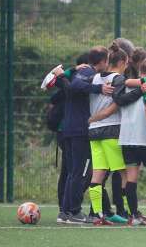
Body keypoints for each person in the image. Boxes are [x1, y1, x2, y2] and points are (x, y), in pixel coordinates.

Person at [55, 46, 114, 224]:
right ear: (103, 61)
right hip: (80, 131)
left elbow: (61, 80)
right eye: (107, 60)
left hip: (70, 129)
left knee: (73, 173)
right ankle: (73, 211)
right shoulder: (88, 72)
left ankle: (65, 212)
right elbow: (75, 86)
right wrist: (99, 89)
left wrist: (69, 70)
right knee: (80, 173)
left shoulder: (80, 72)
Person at [87, 43, 129, 226]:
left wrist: (92, 119)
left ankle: (97, 214)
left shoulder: (95, 77)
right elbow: (115, 105)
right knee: (124, 173)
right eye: (126, 62)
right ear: (122, 61)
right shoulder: (119, 78)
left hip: (94, 131)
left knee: (98, 174)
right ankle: (130, 213)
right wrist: (99, 116)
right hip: (111, 129)